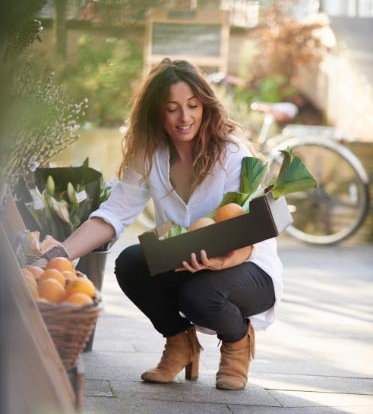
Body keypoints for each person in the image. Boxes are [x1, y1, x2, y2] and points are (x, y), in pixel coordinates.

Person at [42, 58, 283, 391]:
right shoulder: (150, 155)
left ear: (205, 107)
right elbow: (115, 213)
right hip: (188, 262)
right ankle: (180, 342)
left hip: (247, 265)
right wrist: (60, 254)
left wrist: (220, 261)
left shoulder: (232, 155)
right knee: (130, 262)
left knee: (199, 294)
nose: (184, 117)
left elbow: (250, 231)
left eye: (192, 106)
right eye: (172, 108)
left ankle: (237, 341)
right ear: (157, 112)